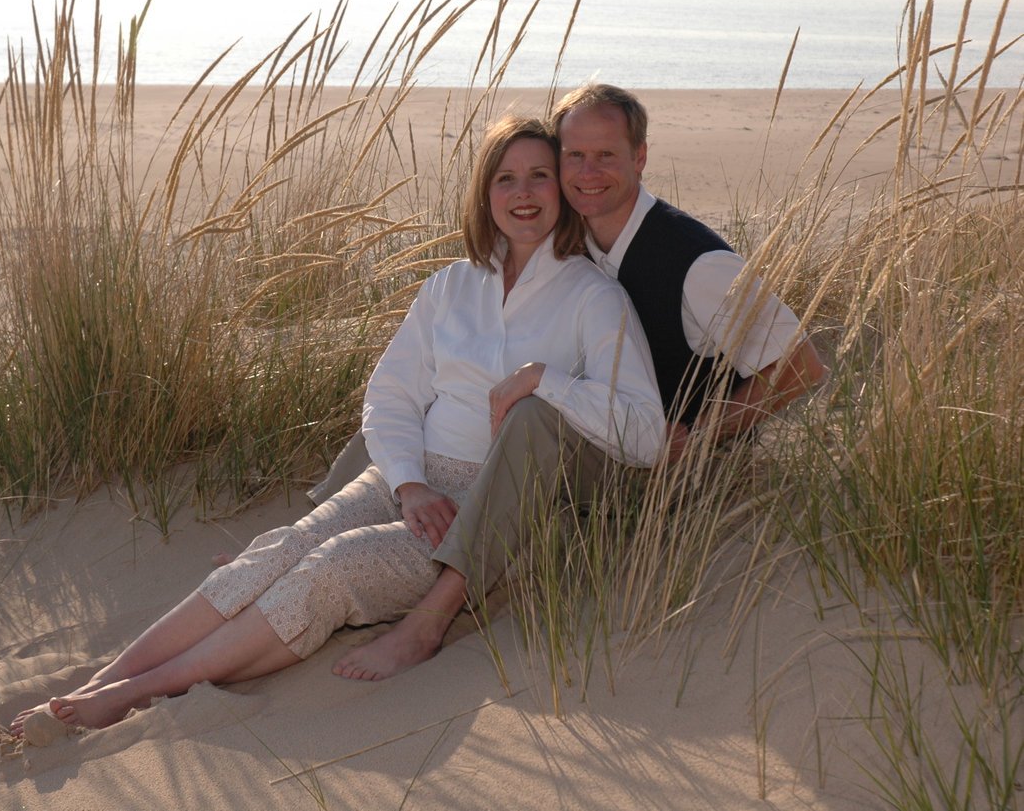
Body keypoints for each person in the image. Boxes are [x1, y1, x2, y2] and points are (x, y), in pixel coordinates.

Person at [9, 115, 664, 734]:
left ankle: (139, 692)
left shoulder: (592, 296)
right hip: (407, 478)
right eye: (505, 178)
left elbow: (644, 434)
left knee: (331, 568)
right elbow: (390, 395)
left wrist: (545, 379)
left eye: (539, 176)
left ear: (561, 189)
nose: (522, 193)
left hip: (483, 507)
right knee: (282, 546)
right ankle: (107, 677)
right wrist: (408, 483)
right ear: (483, 192)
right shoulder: (450, 287)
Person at [328, 83, 826, 682]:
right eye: (574, 157)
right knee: (427, 398)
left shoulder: (698, 265)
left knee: (532, 418)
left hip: (663, 466)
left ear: (640, 156)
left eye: (607, 155)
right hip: (600, 430)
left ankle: (431, 620)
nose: (588, 173)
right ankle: (302, 539)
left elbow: (803, 368)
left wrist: (700, 436)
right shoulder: (580, 235)